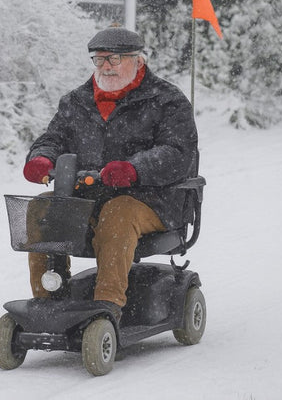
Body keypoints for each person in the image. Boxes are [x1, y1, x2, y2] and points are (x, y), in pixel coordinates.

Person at [22, 25, 199, 319]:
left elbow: (178, 152)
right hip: (89, 197)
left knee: (118, 213)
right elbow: (52, 138)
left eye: (114, 59)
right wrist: (41, 158)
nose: (105, 66)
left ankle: (106, 309)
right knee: (43, 207)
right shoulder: (76, 101)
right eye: (99, 59)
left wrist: (135, 169)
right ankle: (50, 302)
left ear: (138, 61)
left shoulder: (167, 100)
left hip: (153, 201)